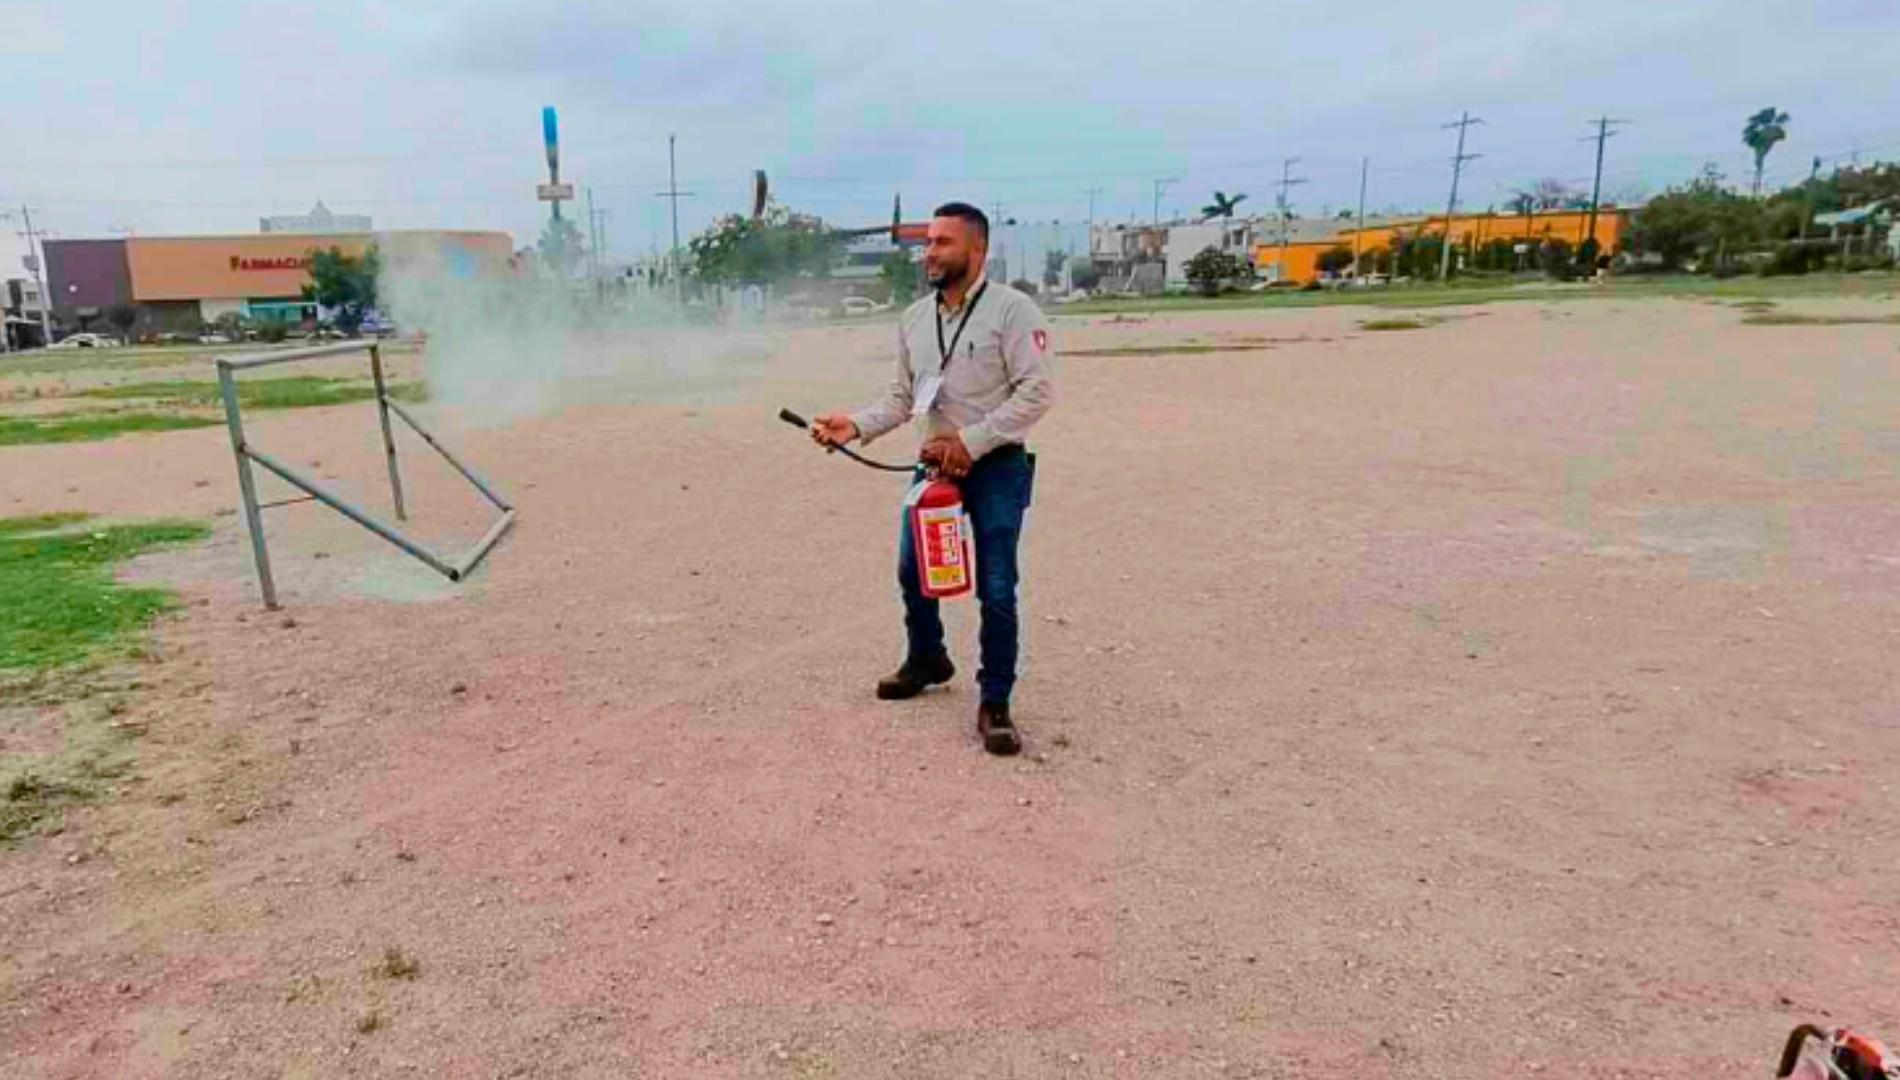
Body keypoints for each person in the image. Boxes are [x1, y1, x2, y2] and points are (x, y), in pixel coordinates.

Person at [811, 202, 1055, 755]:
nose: (931, 252)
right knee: (911, 569)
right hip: (933, 469)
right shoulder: (916, 320)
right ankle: (928, 656)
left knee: (996, 588)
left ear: (977, 250)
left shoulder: (1014, 312)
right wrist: (853, 425)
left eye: (944, 242)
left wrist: (971, 442)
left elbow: (1036, 392)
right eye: (929, 242)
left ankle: (995, 700)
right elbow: (903, 399)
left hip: (995, 467)